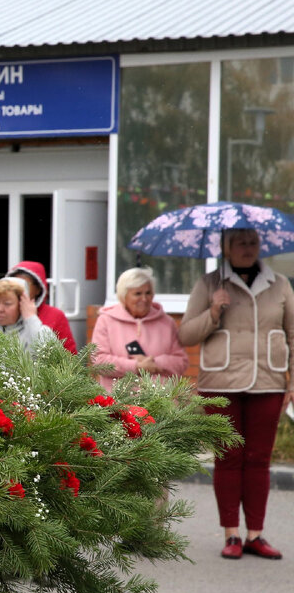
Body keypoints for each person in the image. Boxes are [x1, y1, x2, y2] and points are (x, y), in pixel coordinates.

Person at [179, 227, 294, 561]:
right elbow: (185, 334)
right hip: (221, 383)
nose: (248, 247)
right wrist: (213, 312)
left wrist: (291, 382)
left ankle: (255, 535)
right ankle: (231, 534)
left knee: (259, 459)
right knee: (228, 457)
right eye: (240, 242)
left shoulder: (280, 284)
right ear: (225, 247)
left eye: (253, 242)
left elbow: (292, 334)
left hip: (268, 382)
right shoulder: (209, 284)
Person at [90, 267, 188, 392]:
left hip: (160, 401)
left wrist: (156, 363)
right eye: (138, 294)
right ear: (123, 296)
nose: (144, 299)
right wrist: (136, 366)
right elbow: (99, 361)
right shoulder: (106, 321)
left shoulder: (167, 322)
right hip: (118, 402)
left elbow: (181, 361)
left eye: (148, 293)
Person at [6, 260, 78, 353]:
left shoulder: (55, 316)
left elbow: (69, 356)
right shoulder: (1, 312)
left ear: (38, 289)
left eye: (25, 284)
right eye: (14, 285)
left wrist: (31, 318)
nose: (19, 289)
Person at [0, 277, 57, 349]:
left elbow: (49, 353)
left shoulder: (38, 332)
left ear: (22, 305)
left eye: (7, 303)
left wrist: (31, 317)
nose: (0, 309)